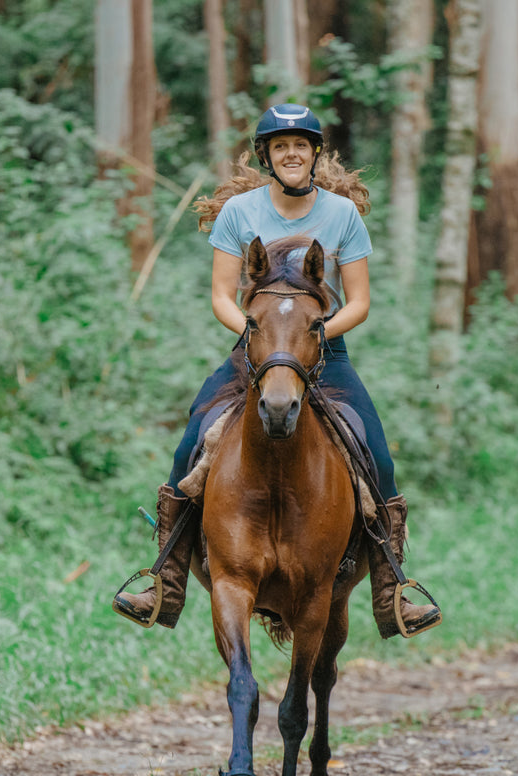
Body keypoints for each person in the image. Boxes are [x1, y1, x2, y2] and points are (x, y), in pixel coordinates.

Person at [114, 103, 440, 639]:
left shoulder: (341, 215)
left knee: (375, 451)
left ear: (315, 155)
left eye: (302, 145)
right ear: (267, 156)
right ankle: (165, 579)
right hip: (256, 349)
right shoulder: (240, 212)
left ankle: (392, 587)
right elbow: (220, 295)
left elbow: (357, 303)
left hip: (322, 352)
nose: (292, 153)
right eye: (281, 146)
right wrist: (261, 338)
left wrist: (306, 339)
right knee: (191, 440)